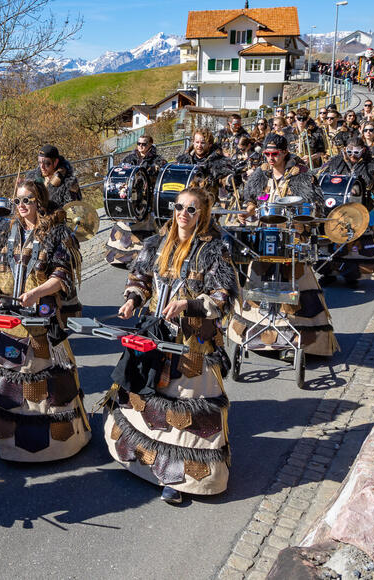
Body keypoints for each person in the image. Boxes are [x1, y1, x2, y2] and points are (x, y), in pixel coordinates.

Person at [111, 188, 236, 504]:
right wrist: (131, 300)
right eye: (179, 207)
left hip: (192, 344)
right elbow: (140, 279)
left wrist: (189, 305)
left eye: (191, 209)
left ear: (201, 214)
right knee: (150, 403)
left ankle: (178, 481)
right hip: (155, 338)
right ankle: (145, 463)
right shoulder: (155, 244)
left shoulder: (213, 252)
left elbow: (222, 297)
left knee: (185, 415)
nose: (183, 213)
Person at [0, 179, 90, 461]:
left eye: (26, 200)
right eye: (17, 201)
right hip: (7, 316)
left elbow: (62, 275)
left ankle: (53, 447)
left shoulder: (58, 233)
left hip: (41, 318)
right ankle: (1, 441)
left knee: (45, 380)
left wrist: (36, 293)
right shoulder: (7, 230)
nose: (21, 206)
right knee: (5, 376)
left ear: (39, 201)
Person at [229, 134, 338, 357]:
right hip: (265, 238)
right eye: (267, 154)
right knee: (258, 282)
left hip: (291, 239)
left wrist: (300, 221)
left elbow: (313, 205)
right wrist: (247, 210)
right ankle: (260, 338)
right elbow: (251, 198)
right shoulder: (260, 173)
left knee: (295, 285)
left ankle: (300, 341)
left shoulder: (302, 175)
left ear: (284, 152)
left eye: (274, 154)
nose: (270, 158)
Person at [318, 138, 374, 286]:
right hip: (335, 210)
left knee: (355, 246)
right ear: (345, 149)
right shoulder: (335, 161)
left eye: (356, 152)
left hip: (361, 210)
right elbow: (320, 176)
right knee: (325, 242)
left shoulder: (373, 165)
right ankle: (328, 272)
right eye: (350, 151)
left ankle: (352, 275)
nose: (353, 155)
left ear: (363, 151)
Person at [106, 136, 165, 270]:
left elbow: (160, 178)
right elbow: (121, 173)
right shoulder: (129, 158)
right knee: (125, 225)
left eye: (144, 144)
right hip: (131, 199)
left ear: (150, 144)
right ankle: (121, 257)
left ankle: (143, 258)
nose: (141, 146)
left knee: (145, 227)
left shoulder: (158, 160)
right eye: (138, 143)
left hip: (147, 198)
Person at [175, 128, 236, 203]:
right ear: (193, 142)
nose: (199, 146)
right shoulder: (184, 161)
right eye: (197, 142)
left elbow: (226, 179)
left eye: (203, 143)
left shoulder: (219, 162)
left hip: (208, 204)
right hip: (185, 202)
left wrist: (230, 180)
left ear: (210, 144)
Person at [25, 144, 82, 211]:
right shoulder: (32, 178)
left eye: (47, 163)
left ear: (55, 162)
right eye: (40, 163)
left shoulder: (69, 183)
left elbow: (73, 211)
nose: (42, 167)